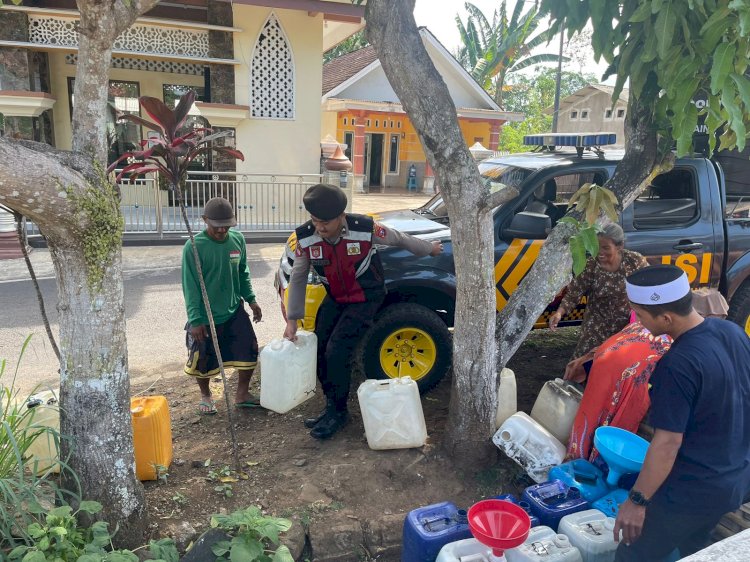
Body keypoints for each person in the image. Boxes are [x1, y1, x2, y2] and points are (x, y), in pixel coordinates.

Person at [284, 183, 443, 439]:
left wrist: (430, 248)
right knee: (320, 347)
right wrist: (292, 320)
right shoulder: (305, 237)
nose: (320, 227)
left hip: (366, 296)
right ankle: (331, 406)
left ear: (341, 217)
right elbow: (299, 276)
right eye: (315, 221)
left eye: (326, 222)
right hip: (336, 296)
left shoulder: (364, 229)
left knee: (337, 350)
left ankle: (339, 413)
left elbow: (399, 238)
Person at [613, 265, 750, 560]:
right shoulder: (732, 333)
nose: (638, 321)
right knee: (696, 549)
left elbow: (667, 444)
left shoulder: (677, 365)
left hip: (690, 492)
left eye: (641, 315)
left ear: (665, 317)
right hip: (733, 482)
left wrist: (636, 502)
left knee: (631, 554)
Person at [182, 197, 263, 415]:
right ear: (205, 220)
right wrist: (196, 320)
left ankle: (242, 394)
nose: (222, 230)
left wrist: (251, 299)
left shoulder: (237, 240)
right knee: (204, 359)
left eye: (227, 225)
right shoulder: (193, 247)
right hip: (206, 315)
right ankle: (206, 396)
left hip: (233, 309)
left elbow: (243, 272)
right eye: (217, 226)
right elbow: (190, 286)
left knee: (250, 350)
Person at [565, 320, 672, 461]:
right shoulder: (675, 341)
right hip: (622, 370)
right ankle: (598, 461)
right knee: (616, 425)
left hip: (611, 363)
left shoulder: (644, 326)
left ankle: (580, 458)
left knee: (592, 415)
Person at [549, 223, 648, 360]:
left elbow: (649, 286)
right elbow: (574, 292)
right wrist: (560, 313)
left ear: (619, 246)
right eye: (596, 246)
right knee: (582, 364)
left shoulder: (634, 261)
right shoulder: (591, 265)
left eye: (606, 247)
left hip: (626, 326)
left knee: (620, 363)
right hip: (595, 326)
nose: (600, 252)